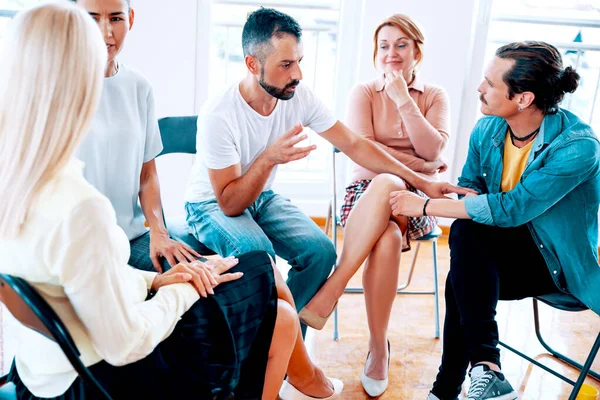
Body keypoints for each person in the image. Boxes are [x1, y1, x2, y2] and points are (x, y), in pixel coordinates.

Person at [0, 3, 342, 399]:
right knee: (264, 280)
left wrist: (159, 279)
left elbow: (80, 279)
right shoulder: (81, 207)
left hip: (44, 373)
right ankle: (304, 377)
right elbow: (125, 343)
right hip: (101, 381)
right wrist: (180, 292)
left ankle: (300, 376)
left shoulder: (18, 181)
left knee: (271, 301)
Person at [184, 8, 473, 335]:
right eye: (286, 65)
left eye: (299, 62)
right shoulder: (220, 114)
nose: (298, 75)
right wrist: (268, 159)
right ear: (253, 64)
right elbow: (229, 203)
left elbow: (354, 144)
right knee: (260, 259)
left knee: (320, 253)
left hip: (261, 197)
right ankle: (277, 351)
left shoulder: (297, 95)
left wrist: (423, 182)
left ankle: (279, 341)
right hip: (210, 205)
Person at [387, 41, 600, 400]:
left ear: (523, 99)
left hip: (554, 265)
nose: (479, 89)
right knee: (468, 247)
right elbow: (471, 192)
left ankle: (447, 388)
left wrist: (423, 206)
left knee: (463, 274)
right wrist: (464, 200)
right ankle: (486, 368)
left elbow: (512, 209)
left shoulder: (578, 147)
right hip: (496, 253)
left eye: (489, 82)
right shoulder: (488, 130)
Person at [299, 14, 450, 397]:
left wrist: (402, 100)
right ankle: (378, 347)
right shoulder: (363, 92)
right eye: (384, 45)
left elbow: (434, 148)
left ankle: (337, 282)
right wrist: (423, 168)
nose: (391, 53)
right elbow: (364, 157)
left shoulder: (433, 96)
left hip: (415, 202)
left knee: (391, 180)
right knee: (384, 226)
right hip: (366, 195)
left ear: (417, 50)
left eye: (401, 44)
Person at [73, 0, 200, 273]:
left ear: (130, 18)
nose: (106, 32)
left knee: (203, 279)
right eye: (92, 18)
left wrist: (159, 231)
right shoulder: (56, 86)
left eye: (116, 19)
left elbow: (147, 174)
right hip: (78, 245)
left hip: (130, 239)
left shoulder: (138, 86)